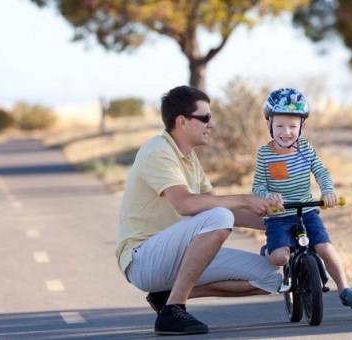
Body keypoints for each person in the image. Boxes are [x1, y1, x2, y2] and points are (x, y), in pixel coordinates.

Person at [116, 85, 284, 336]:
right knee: (219, 215)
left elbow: (218, 208)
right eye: (205, 118)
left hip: (182, 253)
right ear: (182, 121)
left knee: (270, 278)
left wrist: (280, 220)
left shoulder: (190, 158)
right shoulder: (157, 151)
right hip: (144, 259)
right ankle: (174, 310)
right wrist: (244, 198)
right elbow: (186, 205)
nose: (211, 124)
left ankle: (167, 298)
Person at [252, 87, 352, 310]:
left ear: (302, 127)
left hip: (306, 211)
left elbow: (321, 172)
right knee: (279, 257)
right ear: (269, 125)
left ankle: (345, 289)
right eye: (279, 126)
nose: (286, 132)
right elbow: (257, 186)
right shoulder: (264, 154)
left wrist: (328, 191)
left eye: (292, 126)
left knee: (324, 247)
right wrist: (268, 196)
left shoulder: (305, 149)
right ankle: (268, 249)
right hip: (279, 216)